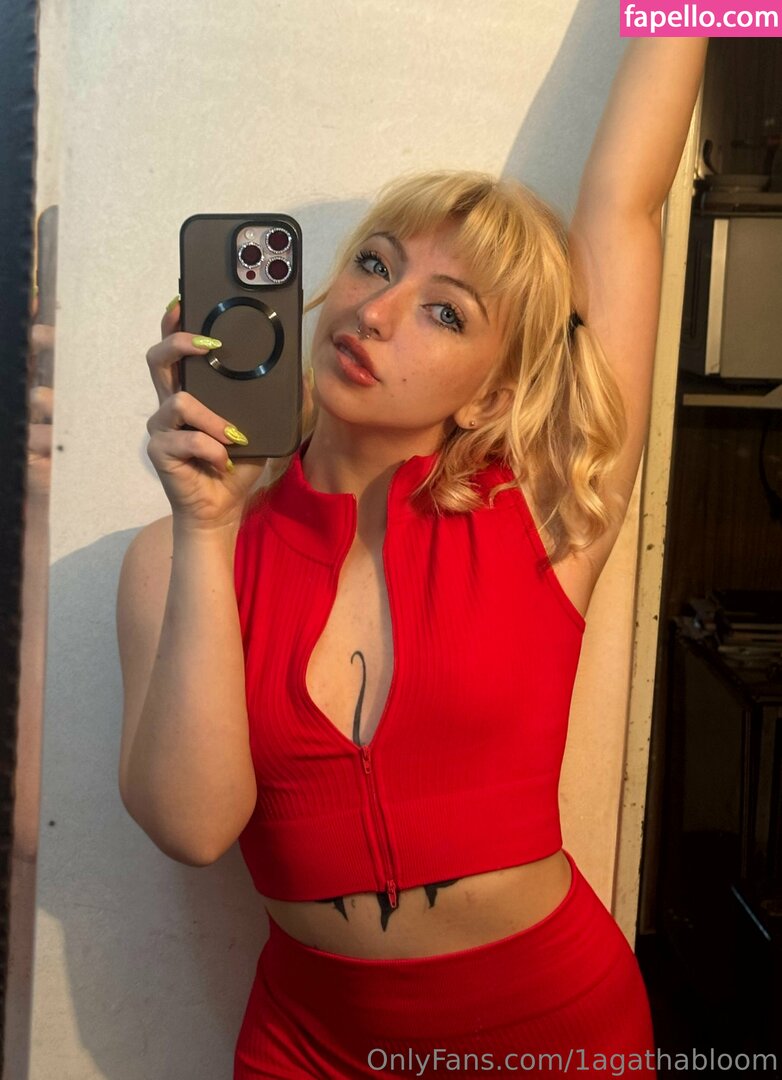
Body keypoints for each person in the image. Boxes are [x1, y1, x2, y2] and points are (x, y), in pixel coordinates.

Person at [117, 37, 709, 1079]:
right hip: (311, 1048)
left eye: (445, 311)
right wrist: (209, 526)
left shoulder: (545, 516)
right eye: (375, 263)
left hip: (554, 1037)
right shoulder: (177, 552)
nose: (376, 312)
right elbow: (195, 828)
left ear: (489, 394)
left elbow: (626, 203)